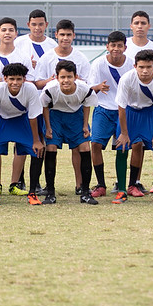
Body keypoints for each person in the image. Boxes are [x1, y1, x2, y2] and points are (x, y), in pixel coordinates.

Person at [33, 19, 91, 195]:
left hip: (75, 109)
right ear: (56, 35)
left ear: (73, 36)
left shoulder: (80, 58)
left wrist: (72, 82)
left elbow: (86, 85)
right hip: (53, 109)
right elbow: (37, 82)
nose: (65, 38)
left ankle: (81, 185)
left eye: (68, 35)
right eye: (62, 35)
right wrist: (52, 82)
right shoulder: (47, 58)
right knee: (50, 147)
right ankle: (49, 188)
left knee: (79, 147)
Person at [0, 17, 34, 196]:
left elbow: (30, 80)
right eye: (3, 30)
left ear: (16, 33)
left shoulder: (23, 56)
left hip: (20, 110)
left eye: (11, 30)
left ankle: (15, 183)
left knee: (21, 148)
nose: (7, 33)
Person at [113, 49, 153, 205]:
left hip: (150, 113)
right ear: (135, 66)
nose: (145, 71)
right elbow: (121, 108)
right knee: (122, 147)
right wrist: (124, 133)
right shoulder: (127, 79)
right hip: (130, 113)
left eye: (148, 66)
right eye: (141, 67)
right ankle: (121, 190)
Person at [0, 63, 45, 205]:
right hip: (2, 121)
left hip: (22, 119)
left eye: (19, 79)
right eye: (11, 79)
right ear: (5, 78)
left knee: (38, 151)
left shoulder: (30, 89)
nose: (15, 83)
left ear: (24, 79)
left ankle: (32, 193)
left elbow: (33, 116)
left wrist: (36, 140)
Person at [40, 60, 99, 205]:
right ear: (56, 77)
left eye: (69, 77)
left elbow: (86, 105)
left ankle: (85, 192)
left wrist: (85, 125)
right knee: (51, 148)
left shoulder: (84, 89)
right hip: (55, 117)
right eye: (62, 77)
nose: (66, 80)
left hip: (76, 117)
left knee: (85, 147)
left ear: (75, 77)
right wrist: (48, 127)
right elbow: (45, 107)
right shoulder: (49, 89)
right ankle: (50, 193)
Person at [121, 10, 153, 197]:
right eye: (136, 23)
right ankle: (127, 184)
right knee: (129, 145)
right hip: (129, 104)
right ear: (131, 25)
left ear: (149, 25)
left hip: (150, 105)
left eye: (143, 23)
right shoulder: (125, 45)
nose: (140, 26)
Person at [88, 31, 132, 198]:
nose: (116, 49)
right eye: (112, 45)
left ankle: (123, 186)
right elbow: (90, 88)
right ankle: (101, 184)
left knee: (123, 146)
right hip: (103, 109)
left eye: (119, 46)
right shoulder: (99, 64)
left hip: (124, 110)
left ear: (124, 48)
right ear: (107, 47)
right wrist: (98, 87)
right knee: (95, 144)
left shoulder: (131, 64)